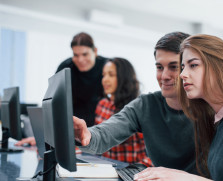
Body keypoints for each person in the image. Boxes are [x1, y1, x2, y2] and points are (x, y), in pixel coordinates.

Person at [73, 32, 198, 173]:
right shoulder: (145, 105)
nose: (164, 76)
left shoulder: (209, 108)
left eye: (173, 67)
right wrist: (84, 135)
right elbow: (105, 133)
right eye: (159, 67)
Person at [134, 34, 223, 181]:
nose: (182, 74)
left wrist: (185, 179)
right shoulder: (219, 120)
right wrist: (180, 175)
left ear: (218, 67)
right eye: (182, 67)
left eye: (193, 65)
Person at [15, 32, 108, 146]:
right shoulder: (65, 67)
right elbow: (54, 103)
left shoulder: (107, 68)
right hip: (71, 131)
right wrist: (45, 137)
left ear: (95, 51)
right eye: (76, 55)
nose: (80, 59)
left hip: (99, 131)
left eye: (85, 54)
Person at [95, 57, 152, 166]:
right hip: (106, 169)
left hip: (130, 171)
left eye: (111, 75)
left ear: (124, 78)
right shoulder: (102, 104)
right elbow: (99, 143)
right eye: (104, 75)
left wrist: (136, 170)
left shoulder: (138, 108)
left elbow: (153, 154)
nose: (105, 80)